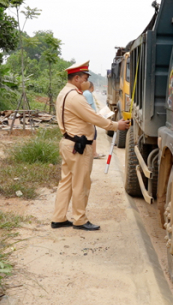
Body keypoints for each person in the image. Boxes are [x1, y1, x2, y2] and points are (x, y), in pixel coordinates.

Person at [52, 60, 130, 231]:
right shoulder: (75, 96)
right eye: (86, 78)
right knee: (81, 183)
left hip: (68, 142)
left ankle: (59, 218)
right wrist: (117, 125)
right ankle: (79, 219)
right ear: (77, 79)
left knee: (66, 181)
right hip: (78, 146)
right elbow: (93, 118)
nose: (88, 82)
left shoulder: (64, 93)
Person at [82, 81, 104, 159]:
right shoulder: (88, 94)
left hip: (88, 118)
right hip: (91, 118)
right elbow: (90, 107)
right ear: (91, 87)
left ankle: (92, 152)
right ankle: (94, 153)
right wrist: (96, 116)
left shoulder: (85, 93)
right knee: (93, 135)